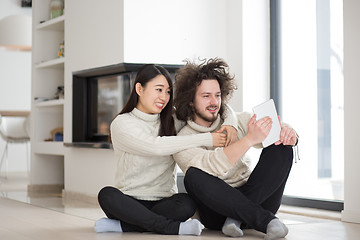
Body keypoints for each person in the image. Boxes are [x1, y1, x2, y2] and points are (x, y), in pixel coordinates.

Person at [94, 64, 238, 236]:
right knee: (107, 195)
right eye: (159, 89)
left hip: (165, 201)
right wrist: (208, 138)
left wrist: (231, 124)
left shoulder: (173, 119)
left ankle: (125, 226)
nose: (164, 97)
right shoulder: (122, 123)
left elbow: (217, 107)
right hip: (129, 201)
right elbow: (155, 146)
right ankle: (172, 228)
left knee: (187, 202)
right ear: (139, 89)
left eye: (168, 91)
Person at [173, 58, 298, 240]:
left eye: (217, 95)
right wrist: (248, 140)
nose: (214, 102)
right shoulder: (183, 139)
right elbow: (213, 165)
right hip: (217, 212)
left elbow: (276, 128)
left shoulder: (236, 120)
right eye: (206, 96)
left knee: (282, 148)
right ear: (190, 101)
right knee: (193, 176)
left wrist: (289, 133)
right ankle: (265, 221)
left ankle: (236, 218)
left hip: (260, 199)